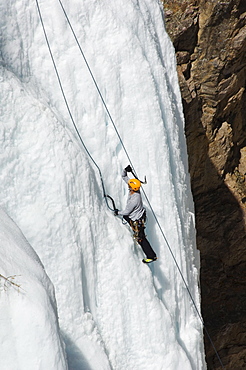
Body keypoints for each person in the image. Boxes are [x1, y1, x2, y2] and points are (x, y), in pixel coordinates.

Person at [114, 165, 157, 264]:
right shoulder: (134, 189)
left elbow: (126, 212)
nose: (128, 186)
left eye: (129, 186)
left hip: (137, 220)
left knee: (141, 239)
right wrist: (126, 170)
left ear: (132, 188)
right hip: (138, 216)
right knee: (127, 219)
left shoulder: (135, 199)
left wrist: (117, 212)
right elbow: (124, 177)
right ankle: (151, 255)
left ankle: (151, 256)